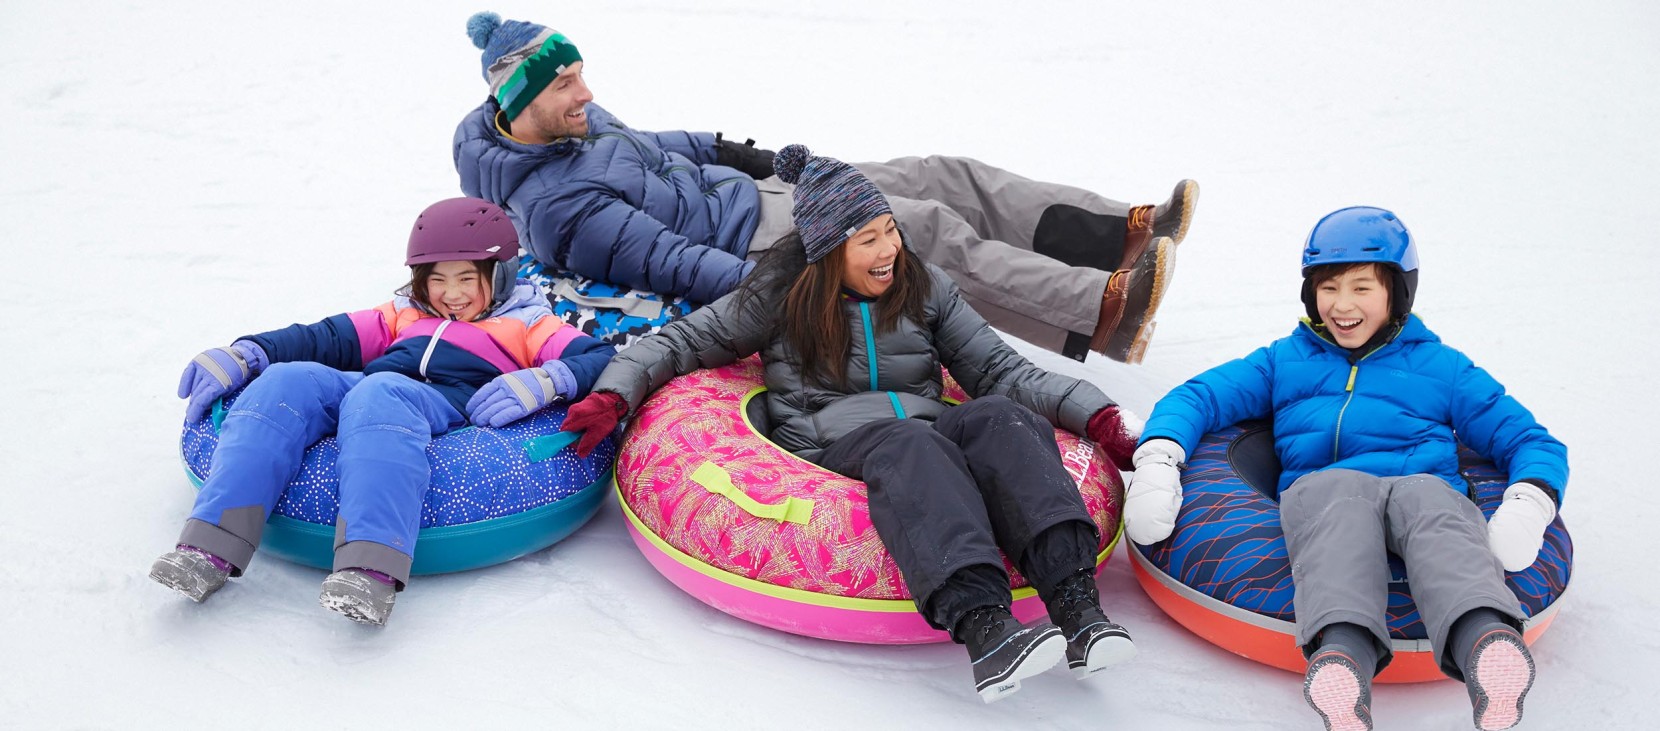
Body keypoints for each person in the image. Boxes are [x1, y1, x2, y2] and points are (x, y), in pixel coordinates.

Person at [559, 145, 1147, 701]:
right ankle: (988, 630)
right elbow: (687, 340)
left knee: (1000, 417)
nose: (888, 249)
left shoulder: (924, 287)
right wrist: (615, 394)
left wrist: (1095, 414)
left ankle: (1078, 609)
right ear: (829, 250)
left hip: (923, 426)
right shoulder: (780, 297)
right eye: (868, 239)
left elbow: (998, 367)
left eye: (889, 229)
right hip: (829, 442)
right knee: (913, 443)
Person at [453, 11, 1196, 364]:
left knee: (941, 172)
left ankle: (1118, 232)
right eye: (566, 82)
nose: (586, 90)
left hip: (751, 190)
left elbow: (650, 144)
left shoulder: (568, 122)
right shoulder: (561, 210)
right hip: (756, 236)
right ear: (521, 102)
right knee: (918, 227)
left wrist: (745, 152)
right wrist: (775, 286)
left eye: (581, 73)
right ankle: (1100, 313)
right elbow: (675, 261)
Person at [1123, 207, 1566, 731]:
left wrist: (1529, 501)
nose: (1342, 305)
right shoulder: (1284, 361)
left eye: (1362, 288)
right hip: (1327, 493)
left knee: (1437, 511)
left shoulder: (1441, 369)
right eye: (1329, 288)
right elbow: (1198, 397)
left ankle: (1488, 649)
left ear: (1397, 294)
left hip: (1421, 487)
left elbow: (1529, 438)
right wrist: (1160, 459)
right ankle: (1343, 665)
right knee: (1336, 508)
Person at [149, 198, 616, 626]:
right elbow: (326, 337)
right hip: (369, 388)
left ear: (500, 275)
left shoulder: (528, 321)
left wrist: (547, 379)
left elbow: (598, 357)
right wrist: (250, 351)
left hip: (445, 402)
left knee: (381, 393)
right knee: (286, 381)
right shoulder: (403, 313)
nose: (450, 294)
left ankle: (369, 569)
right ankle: (208, 547)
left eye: (466, 278)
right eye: (436, 279)